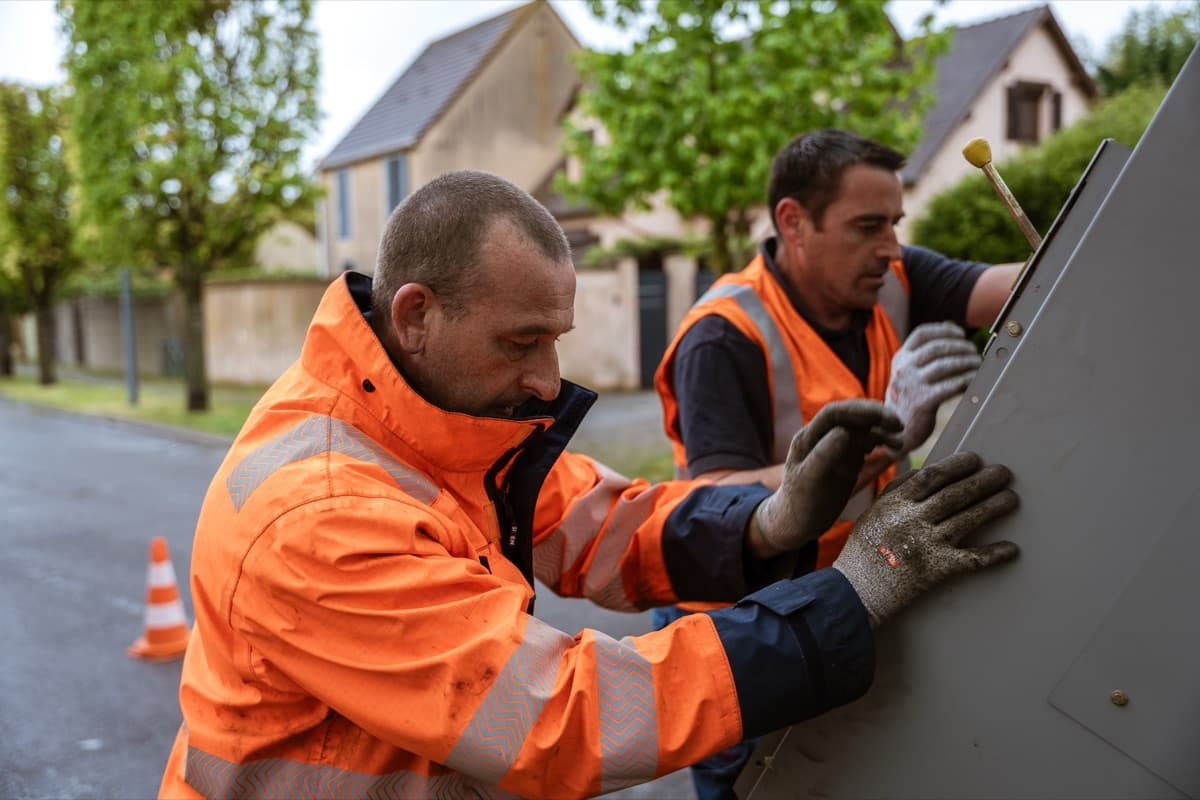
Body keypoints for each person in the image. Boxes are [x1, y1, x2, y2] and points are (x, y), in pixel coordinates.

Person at [158, 170, 1019, 800]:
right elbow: (555, 719)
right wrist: (849, 596)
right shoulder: (322, 516)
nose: (548, 376)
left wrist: (770, 518)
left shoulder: (429, 425)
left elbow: (607, 522)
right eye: (521, 341)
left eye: (555, 338)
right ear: (416, 314)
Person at [652, 128, 1023, 798]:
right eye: (867, 226)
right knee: (759, 784)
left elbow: (1015, 288)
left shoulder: (890, 277)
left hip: (845, 596)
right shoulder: (723, 336)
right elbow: (718, 501)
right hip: (742, 627)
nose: (890, 246)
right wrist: (883, 433)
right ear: (793, 221)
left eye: (895, 224)